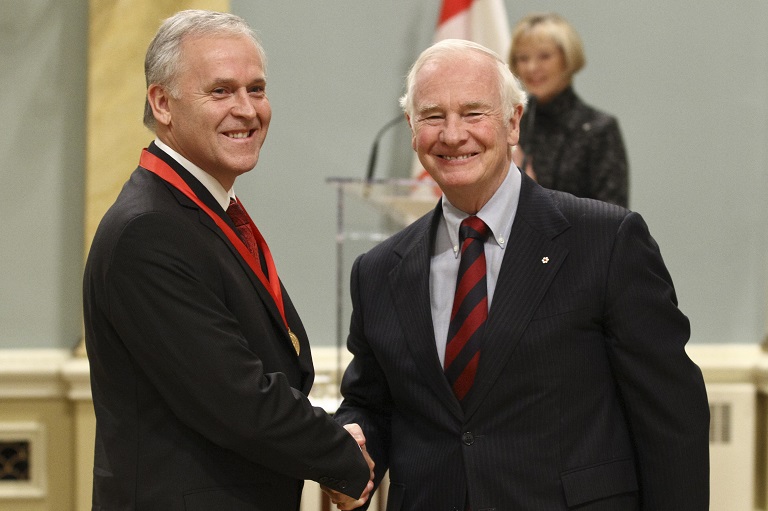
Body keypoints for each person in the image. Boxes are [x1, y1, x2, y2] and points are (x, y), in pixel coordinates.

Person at [333, 39, 709, 510]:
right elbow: (371, 404)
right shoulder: (378, 272)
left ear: (513, 122)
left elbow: (672, 416)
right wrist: (351, 451)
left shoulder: (606, 241)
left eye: (473, 113)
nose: (452, 135)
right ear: (411, 129)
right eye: (432, 116)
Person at [82, 10, 373, 511]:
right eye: (220, 91)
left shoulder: (199, 210)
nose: (246, 109)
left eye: (256, 89)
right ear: (162, 103)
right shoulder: (148, 230)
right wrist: (343, 460)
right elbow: (235, 399)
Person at [509, 12, 629, 207]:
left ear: (567, 58)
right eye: (523, 58)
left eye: (544, 56)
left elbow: (613, 221)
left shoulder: (598, 130)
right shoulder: (513, 125)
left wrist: (531, 189)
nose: (531, 67)